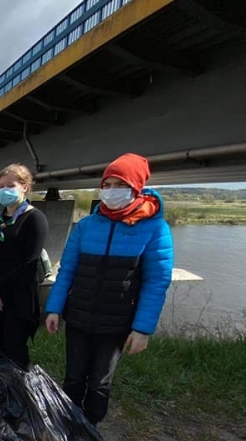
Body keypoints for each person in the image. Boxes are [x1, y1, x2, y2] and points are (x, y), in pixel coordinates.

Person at [45, 153, 173, 425]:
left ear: (136, 188)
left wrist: (142, 329)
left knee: (100, 384)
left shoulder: (155, 229)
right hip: (79, 316)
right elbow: (67, 269)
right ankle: (68, 427)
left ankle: (89, 429)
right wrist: (54, 307)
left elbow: (156, 282)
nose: (111, 191)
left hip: (116, 323)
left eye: (120, 185)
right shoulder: (87, 225)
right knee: (74, 377)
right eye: (107, 185)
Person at [0, 164, 49, 369]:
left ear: (25, 187)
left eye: (11, 185)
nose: (4, 190)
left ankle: (21, 394)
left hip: (19, 296)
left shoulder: (35, 219)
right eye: (1, 186)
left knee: (15, 350)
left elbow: (29, 264)